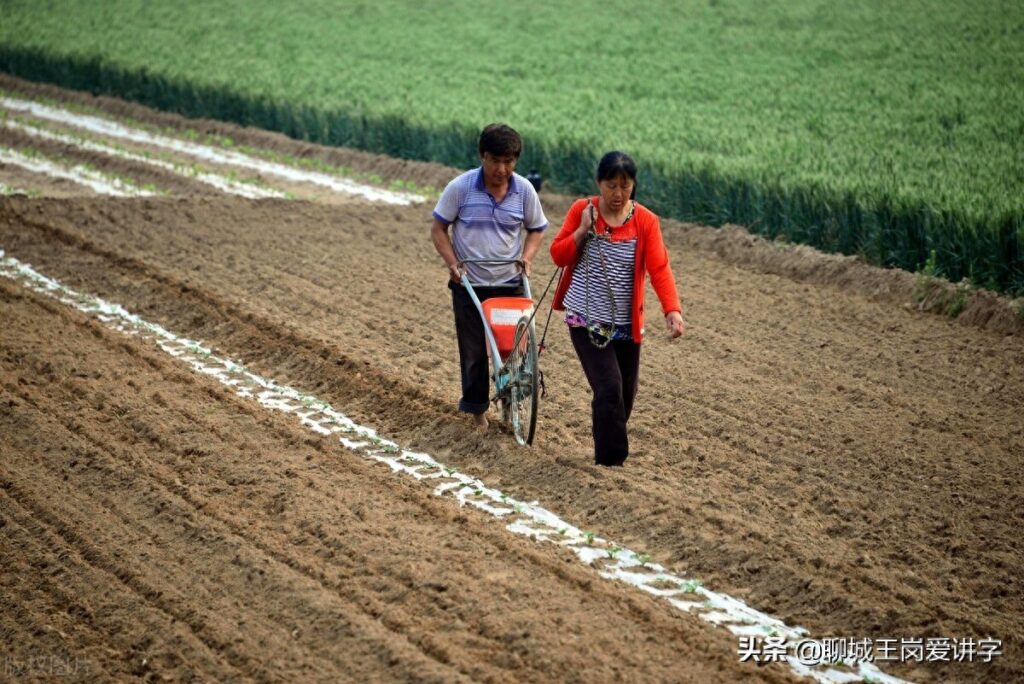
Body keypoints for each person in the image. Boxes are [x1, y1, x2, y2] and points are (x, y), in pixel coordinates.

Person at [550, 151, 685, 466]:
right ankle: (611, 462)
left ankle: (607, 448)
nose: (618, 194)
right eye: (611, 186)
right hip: (586, 318)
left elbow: (660, 268)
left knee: (625, 394)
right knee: (609, 387)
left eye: (625, 186)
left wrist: (672, 310)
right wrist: (582, 230)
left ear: (633, 186)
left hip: (625, 323)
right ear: (599, 183)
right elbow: (558, 255)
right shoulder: (582, 211)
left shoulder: (645, 221)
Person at [430, 123, 549, 431]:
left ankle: (513, 401)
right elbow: (438, 229)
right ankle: (478, 412)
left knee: (514, 349)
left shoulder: (524, 190)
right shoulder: (460, 188)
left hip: (508, 282)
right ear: (482, 157)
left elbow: (537, 228)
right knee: (472, 352)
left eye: (509, 161)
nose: (502, 169)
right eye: (495, 161)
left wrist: (527, 257)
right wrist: (453, 263)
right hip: (469, 282)